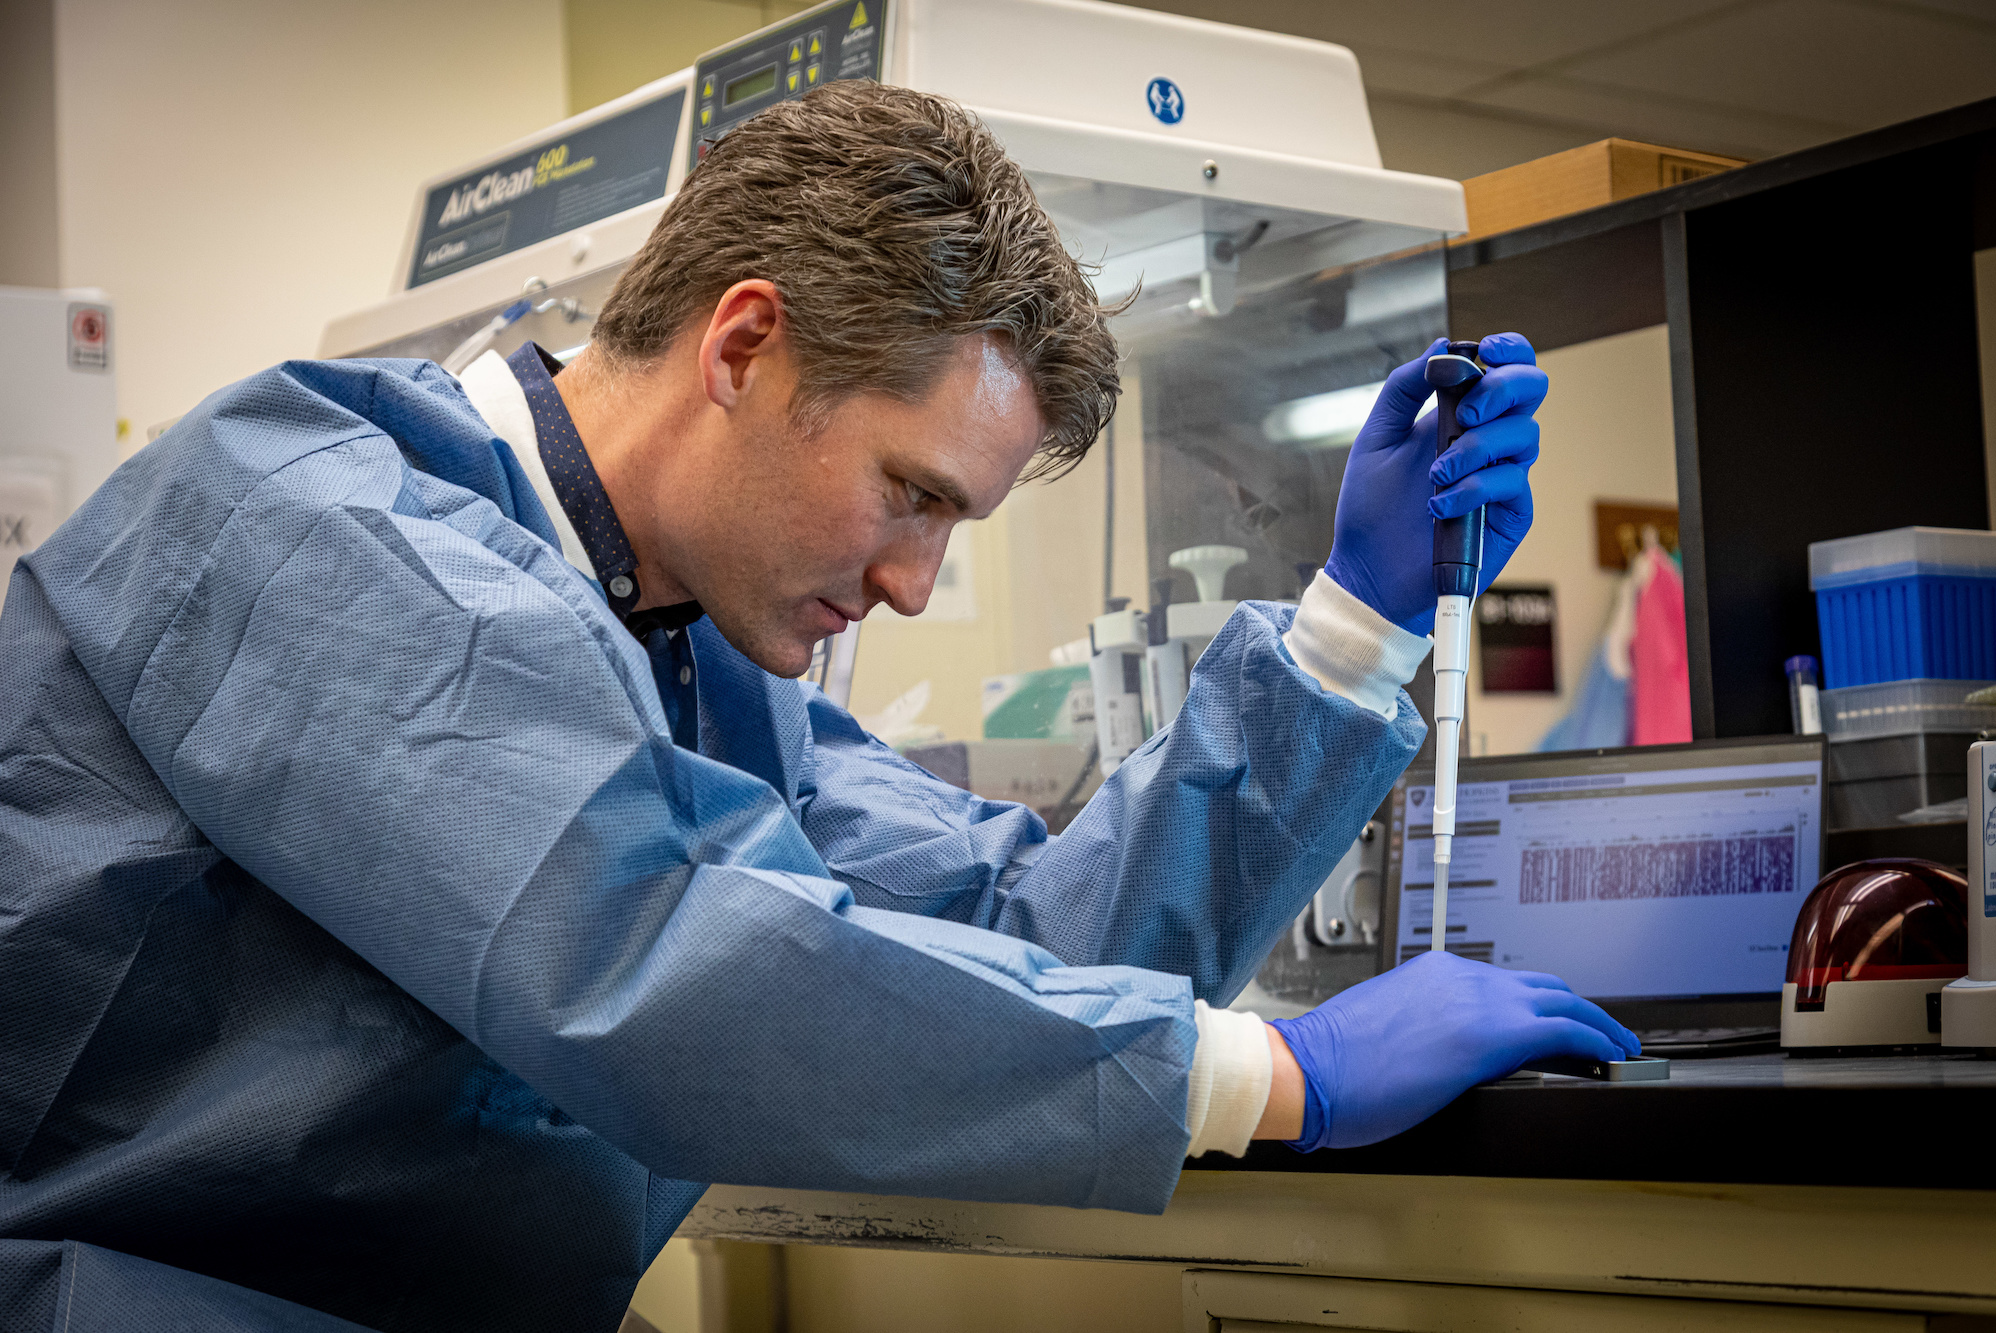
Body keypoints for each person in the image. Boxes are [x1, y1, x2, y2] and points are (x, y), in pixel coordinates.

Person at [0, 82, 1635, 1332]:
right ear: (747, 344)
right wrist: (1276, 1079)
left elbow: (1018, 925)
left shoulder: (686, 654)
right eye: (908, 495)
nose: (917, 583)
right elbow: (657, 955)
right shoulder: (306, 514)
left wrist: (1348, 632)